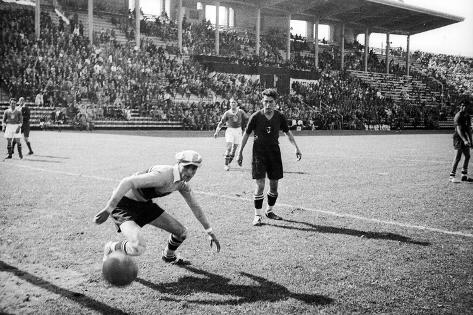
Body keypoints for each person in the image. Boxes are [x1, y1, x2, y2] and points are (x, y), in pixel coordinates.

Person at [93, 150, 221, 264]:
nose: (190, 172)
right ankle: (111, 248)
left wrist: (209, 231)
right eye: (187, 167)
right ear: (178, 164)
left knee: (181, 233)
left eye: (194, 169)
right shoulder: (164, 174)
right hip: (123, 205)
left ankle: (168, 256)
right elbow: (128, 181)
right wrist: (108, 208)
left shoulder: (182, 184)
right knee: (138, 246)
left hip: (144, 205)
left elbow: (195, 207)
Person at [236, 89, 302, 226]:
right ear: (262, 101)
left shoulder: (280, 117)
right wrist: (240, 152)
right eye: (265, 101)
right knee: (260, 184)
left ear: (275, 103)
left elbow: (288, 133)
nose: (268, 104)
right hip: (259, 153)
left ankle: (269, 210)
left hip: (274, 153)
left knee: (274, 185)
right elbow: (246, 134)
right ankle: (257, 216)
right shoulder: (256, 116)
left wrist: (296, 147)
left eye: (271, 102)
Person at [214, 97, 248, 171]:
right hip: (230, 131)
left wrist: (247, 127)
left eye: (234, 102)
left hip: (238, 131)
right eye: (231, 102)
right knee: (229, 147)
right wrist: (217, 132)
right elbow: (221, 123)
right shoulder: (227, 113)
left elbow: (247, 119)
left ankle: (228, 162)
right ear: (230, 104)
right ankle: (226, 165)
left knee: (234, 150)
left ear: (237, 104)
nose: (233, 103)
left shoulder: (241, 112)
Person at [449, 99, 472, 182]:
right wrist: (465, 140)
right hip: (458, 138)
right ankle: (452, 176)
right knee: (457, 157)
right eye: (463, 105)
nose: (464, 107)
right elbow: (458, 129)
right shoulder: (458, 115)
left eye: (466, 105)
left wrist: (471, 141)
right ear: (460, 106)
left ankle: (464, 175)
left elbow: (469, 129)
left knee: (468, 156)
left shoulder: (467, 116)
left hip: (464, 138)